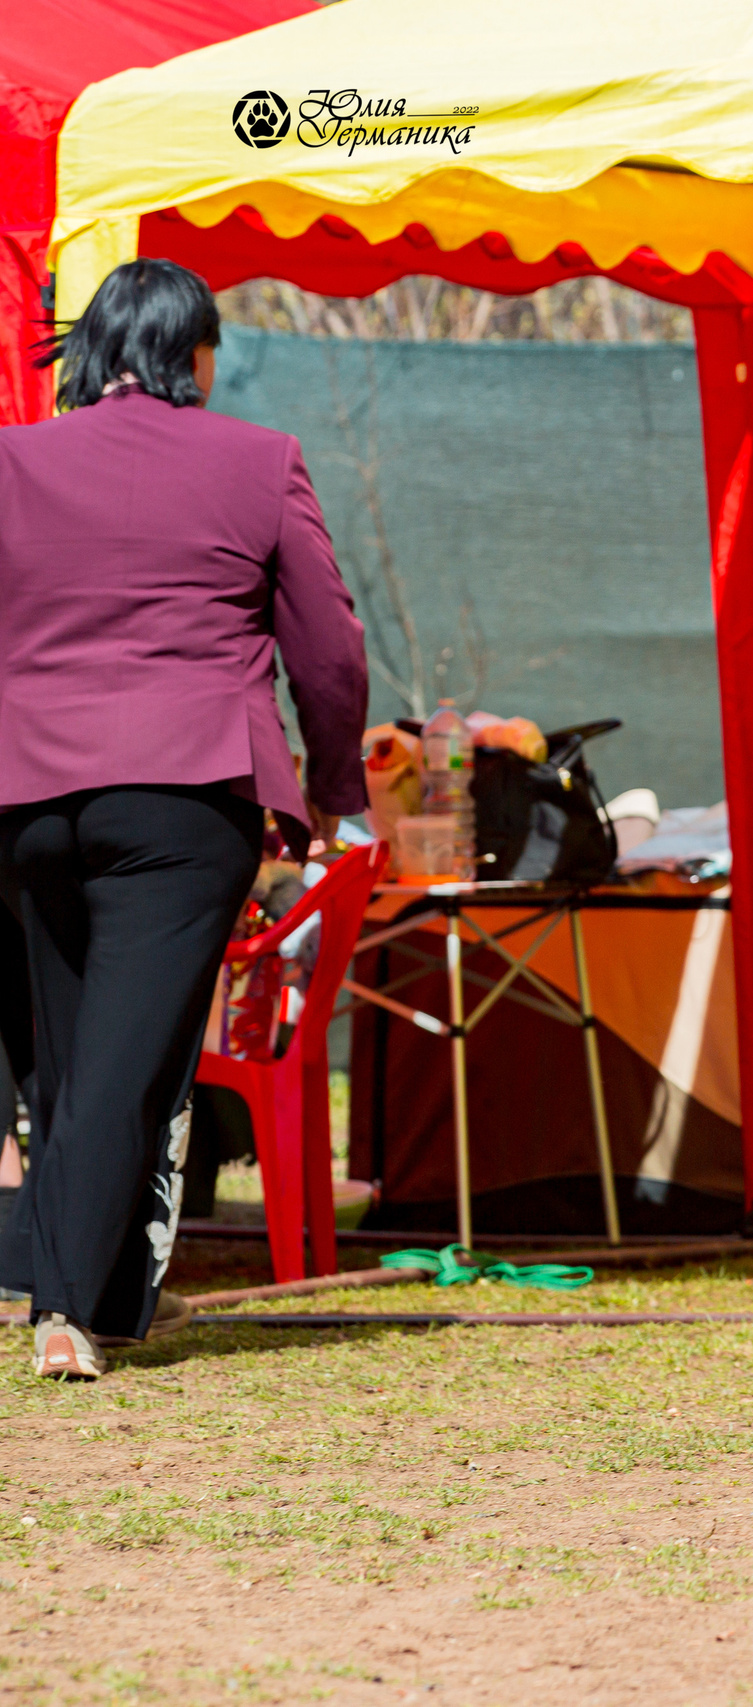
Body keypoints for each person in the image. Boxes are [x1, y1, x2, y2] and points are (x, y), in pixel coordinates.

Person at [0, 258, 369, 1378]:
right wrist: (336, 784)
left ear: (91, 352)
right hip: (184, 794)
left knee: (61, 1065)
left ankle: (99, 1296)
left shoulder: (11, 460)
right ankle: (66, 1309)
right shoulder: (260, 462)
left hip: (21, 792)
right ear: (193, 355)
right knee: (128, 1062)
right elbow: (330, 651)